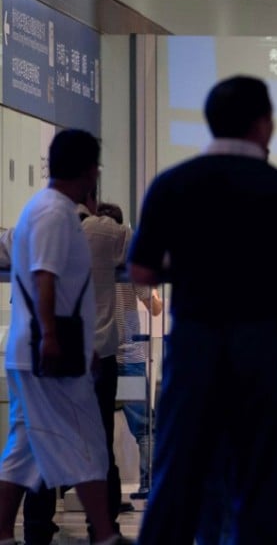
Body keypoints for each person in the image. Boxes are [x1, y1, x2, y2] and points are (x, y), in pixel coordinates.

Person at [129, 75, 277, 544]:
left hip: (195, 344)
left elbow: (140, 271)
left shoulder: (174, 183)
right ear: (264, 125)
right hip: (262, 348)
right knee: (259, 482)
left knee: (179, 473)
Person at [0, 129, 126, 545]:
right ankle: (105, 534)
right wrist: (54, 339)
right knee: (86, 438)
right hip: (47, 353)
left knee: (24, 450)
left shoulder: (39, 209)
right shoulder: (55, 215)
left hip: (32, 350)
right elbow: (45, 277)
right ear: (91, 171)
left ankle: (2, 531)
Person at [100, 199, 161, 502]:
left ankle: (102, 489)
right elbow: (156, 307)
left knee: (99, 424)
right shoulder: (129, 265)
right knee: (143, 426)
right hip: (132, 355)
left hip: (101, 355)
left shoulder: (92, 262)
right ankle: (150, 483)